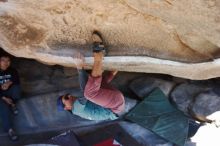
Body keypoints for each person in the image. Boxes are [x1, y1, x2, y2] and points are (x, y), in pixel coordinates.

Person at [57, 31, 125, 120]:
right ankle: (99, 54)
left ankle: (114, 69)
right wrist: (79, 68)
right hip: (114, 106)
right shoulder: (76, 110)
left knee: (92, 88)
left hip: (115, 103)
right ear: (66, 108)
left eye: (67, 95)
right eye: (66, 98)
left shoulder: (81, 106)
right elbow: (84, 94)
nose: (69, 96)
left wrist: (80, 69)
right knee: (89, 93)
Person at [0, 51, 21, 141]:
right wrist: (4, 98)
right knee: (4, 108)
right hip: (0, 96)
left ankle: (12, 104)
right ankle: (10, 130)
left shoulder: (12, 70)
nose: (6, 63)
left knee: (16, 88)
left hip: (9, 92)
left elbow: (16, 79)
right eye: (3, 60)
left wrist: (9, 83)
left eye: (8, 60)